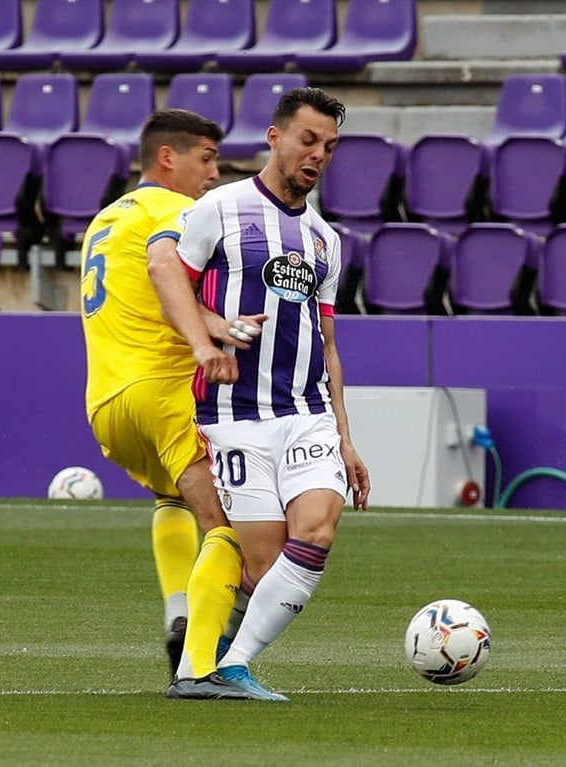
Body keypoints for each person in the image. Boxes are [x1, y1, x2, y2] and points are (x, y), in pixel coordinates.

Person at [156, 87, 371, 702]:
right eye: (308, 140)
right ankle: (216, 652)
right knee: (260, 566)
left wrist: (346, 439)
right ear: (275, 138)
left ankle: (235, 661)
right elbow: (172, 290)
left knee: (320, 530)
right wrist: (209, 333)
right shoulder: (217, 209)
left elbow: (327, 342)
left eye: (329, 146)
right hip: (231, 415)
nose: (318, 155)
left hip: (305, 415)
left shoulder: (326, 241)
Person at [80, 109, 262, 694]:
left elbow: (152, 294)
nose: (213, 174)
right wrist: (213, 334)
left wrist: (211, 322)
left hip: (108, 403)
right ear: (169, 158)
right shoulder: (174, 209)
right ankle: (203, 663)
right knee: (230, 524)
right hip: (165, 391)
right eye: (206, 158)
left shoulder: (105, 219)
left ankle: (179, 613)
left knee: (170, 498)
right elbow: (168, 279)